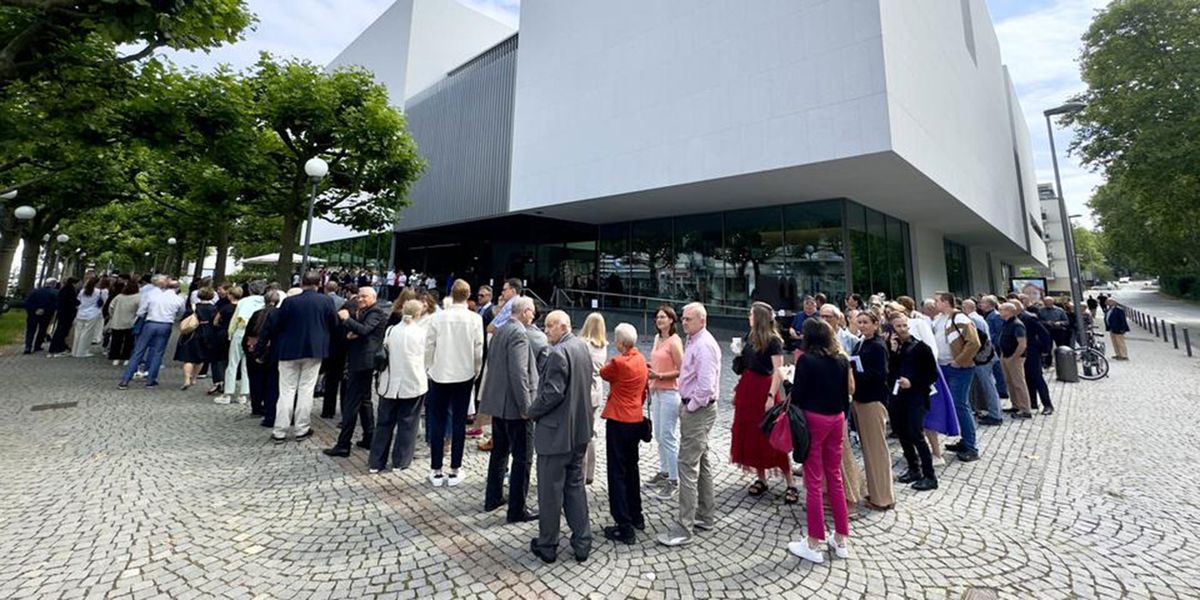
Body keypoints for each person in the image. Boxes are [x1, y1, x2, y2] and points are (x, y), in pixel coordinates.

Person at [528, 310, 594, 564]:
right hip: (579, 431)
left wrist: (531, 412)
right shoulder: (581, 346)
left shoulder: (558, 353)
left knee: (550, 492)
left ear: (563, 327)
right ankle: (582, 542)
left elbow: (552, 393)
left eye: (549, 326)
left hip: (557, 435)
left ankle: (548, 545)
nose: (545, 331)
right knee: (575, 487)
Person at [787, 318, 855, 564]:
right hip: (837, 418)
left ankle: (814, 542)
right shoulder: (841, 359)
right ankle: (841, 539)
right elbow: (845, 394)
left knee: (814, 481)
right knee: (835, 477)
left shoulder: (806, 360)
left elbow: (798, 395)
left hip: (814, 419)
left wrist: (787, 381)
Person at [657, 302, 720, 548]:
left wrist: (690, 407)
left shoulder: (704, 345)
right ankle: (705, 515)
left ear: (702, 320)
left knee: (687, 465)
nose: (683, 322)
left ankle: (685, 527)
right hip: (696, 408)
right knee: (701, 461)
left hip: (698, 410)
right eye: (683, 318)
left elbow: (705, 387)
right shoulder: (694, 340)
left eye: (688, 319)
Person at [255, 272, 339, 443]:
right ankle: (302, 428)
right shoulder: (326, 301)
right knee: (306, 390)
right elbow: (334, 325)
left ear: (301, 283)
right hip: (314, 350)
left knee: (286, 390)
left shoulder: (289, 302)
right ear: (319, 283)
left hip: (288, 350)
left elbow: (277, 324)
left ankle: (280, 430)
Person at [480, 296, 540, 522]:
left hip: (499, 403)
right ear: (524, 312)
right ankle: (517, 509)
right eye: (532, 311)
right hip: (514, 407)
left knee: (499, 452)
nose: (533, 315)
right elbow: (519, 372)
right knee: (523, 458)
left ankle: (493, 497)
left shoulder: (501, 330)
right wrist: (526, 407)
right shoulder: (518, 334)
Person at [730, 302, 795, 503]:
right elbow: (745, 363)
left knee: (772, 434)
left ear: (758, 317)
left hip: (764, 388)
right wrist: (738, 354)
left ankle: (790, 482)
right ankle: (761, 478)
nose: (749, 317)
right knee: (753, 433)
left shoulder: (773, 340)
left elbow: (778, 370)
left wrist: (770, 396)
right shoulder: (750, 336)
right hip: (748, 386)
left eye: (751, 314)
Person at [424, 279, 484, 486]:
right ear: (468, 295)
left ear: (451, 293)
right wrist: (475, 371)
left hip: (439, 373)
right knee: (459, 422)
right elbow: (478, 349)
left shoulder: (437, 318)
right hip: (464, 375)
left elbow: (429, 346)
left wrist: (428, 368)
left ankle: (436, 470)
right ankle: (455, 469)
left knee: (437, 421)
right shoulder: (475, 319)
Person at [599, 323, 649, 545]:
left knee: (617, 472)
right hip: (635, 419)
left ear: (620, 343)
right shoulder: (641, 360)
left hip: (619, 420)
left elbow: (603, 372)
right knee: (632, 468)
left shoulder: (618, 362)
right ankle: (636, 515)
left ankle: (624, 525)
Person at [323, 287, 387, 456]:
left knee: (352, 404)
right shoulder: (365, 312)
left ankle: (344, 444)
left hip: (363, 363)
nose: (360, 299)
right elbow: (361, 330)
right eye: (359, 296)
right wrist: (353, 330)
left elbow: (364, 330)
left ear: (373, 297)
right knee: (364, 401)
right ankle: (369, 437)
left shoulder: (376, 312)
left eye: (364, 296)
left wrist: (347, 319)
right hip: (360, 360)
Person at [370, 298, 428, 471]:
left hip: (389, 382)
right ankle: (400, 461)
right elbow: (427, 358)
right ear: (419, 314)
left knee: (384, 423)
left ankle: (376, 462)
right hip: (412, 382)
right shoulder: (421, 333)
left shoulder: (391, 330)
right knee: (408, 424)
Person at [886, 314, 939, 491]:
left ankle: (930, 476)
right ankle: (913, 468)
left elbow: (932, 375)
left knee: (916, 434)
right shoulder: (894, 348)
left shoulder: (921, 348)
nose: (902, 329)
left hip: (916, 397)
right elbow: (891, 371)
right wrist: (893, 352)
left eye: (904, 325)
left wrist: (912, 382)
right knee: (902, 433)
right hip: (898, 397)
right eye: (898, 326)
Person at [932, 292, 981, 462]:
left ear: (946, 302)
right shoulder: (938, 319)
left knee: (960, 405)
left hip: (959, 368)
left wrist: (959, 361)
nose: (934, 303)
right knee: (955, 404)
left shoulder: (959, 318)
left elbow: (973, 342)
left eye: (937, 301)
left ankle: (971, 447)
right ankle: (964, 441)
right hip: (944, 366)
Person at [851, 310, 894, 510]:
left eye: (866, 322)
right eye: (859, 322)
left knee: (877, 451)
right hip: (860, 398)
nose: (862, 325)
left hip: (873, 400)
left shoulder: (877, 345)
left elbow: (880, 374)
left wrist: (854, 374)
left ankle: (883, 497)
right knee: (868, 450)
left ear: (876, 324)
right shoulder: (860, 343)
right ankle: (874, 491)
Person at [118, 276, 185, 389]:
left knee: (138, 351)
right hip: (166, 324)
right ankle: (151, 380)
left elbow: (141, 311)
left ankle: (125, 379)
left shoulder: (152, 295)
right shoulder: (178, 299)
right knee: (158, 353)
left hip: (150, 323)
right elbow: (180, 313)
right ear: (177, 288)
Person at [646, 305, 683, 497]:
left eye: (663, 317)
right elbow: (657, 362)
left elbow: (681, 370)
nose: (659, 320)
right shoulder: (657, 338)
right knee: (659, 435)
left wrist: (659, 375)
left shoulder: (674, 342)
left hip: (670, 392)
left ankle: (674, 479)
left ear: (671, 320)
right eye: (658, 317)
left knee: (668, 436)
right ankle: (664, 471)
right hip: (657, 391)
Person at [217, 282, 264, 405]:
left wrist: (230, 333)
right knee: (247, 365)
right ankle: (244, 394)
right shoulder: (264, 302)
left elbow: (235, 319)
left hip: (241, 331)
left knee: (233, 363)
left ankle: (228, 393)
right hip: (255, 335)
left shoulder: (243, 302)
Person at [962, 298, 1003, 426]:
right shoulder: (978, 318)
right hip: (984, 356)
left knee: (988, 385)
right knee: (985, 385)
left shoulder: (973, 320)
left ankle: (995, 415)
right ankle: (989, 411)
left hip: (982, 358)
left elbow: (979, 341)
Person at [579, 312, 609, 486]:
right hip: (597, 390)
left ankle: (581, 471)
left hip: (584, 390)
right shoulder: (603, 346)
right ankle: (590, 472)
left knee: (581, 432)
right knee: (592, 432)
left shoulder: (584, 345)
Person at [244, 290, 281, 423]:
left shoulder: (257, 314)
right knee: (271, 381)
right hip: (271, 351)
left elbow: (248, 332)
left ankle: (256, 406)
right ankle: (269, 406)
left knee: (255, 380)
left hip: (254, 348)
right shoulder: (279, 314)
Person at [176, 287, 218, 390]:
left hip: (192, 334)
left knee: (188, 358)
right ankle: (194, 378)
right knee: (200, 358)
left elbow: (184, 319)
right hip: (207, 334)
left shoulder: (193, 307)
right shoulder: (214, 308)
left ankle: (187, 379)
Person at [1018, 297, 1054, 415]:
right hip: (1021, 352)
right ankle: (1032, 402)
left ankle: (1047, 404)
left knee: (1037, 377)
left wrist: (1046, 350)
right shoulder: (1014, 319)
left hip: (1032, 351)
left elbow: (1044, 333)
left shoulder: (1029, 318)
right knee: (1027, 377)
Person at [997, 302, 1033, 419]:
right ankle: (1016, 405)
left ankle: (1025, 409)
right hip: (1005, 355)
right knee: (1010, 382)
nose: (999, 312)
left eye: (1001, 310)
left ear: (1009, 311)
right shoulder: (1006, 323)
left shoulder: (1017, 324)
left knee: (1018, 383)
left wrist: (1014, 357)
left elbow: (1022, 344)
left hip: (1015, 358)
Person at [978, 295, 1009, 401]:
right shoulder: (986, 315)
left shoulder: (995, 316)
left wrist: (994, 345)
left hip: (994, 347)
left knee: (998, 369)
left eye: (983, 302)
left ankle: (1002, 390)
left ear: (989, 304)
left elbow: (999, 332)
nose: (980, 304)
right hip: (991, 346)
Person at [106, 283, 141, 366]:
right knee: (128, 342)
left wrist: (113, 315)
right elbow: (140, 310)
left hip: (117, 321)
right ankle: (126, 358)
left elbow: (111, 307)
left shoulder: (119, 297)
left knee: (116, 341)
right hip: (130, 322)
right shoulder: (138, 297)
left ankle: (115, 358)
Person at [23, 278, 58, 355]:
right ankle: (37, 345)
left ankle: (28, 346)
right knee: (42, 330)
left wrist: (35, 310)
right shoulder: (55, 293)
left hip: (33, 314)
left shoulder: (34, 291)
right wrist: (44, 310)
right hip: (46, 315)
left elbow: (27, 303)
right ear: (54, 284)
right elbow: (55, 305)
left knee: (30, 330)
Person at [46, 277, 79, 357]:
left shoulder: (63, 290)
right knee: (62, 331)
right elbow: (72, 302)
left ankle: (55, 347)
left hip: (62, 313)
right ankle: (59, 348)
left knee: (60, 330)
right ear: (73, 283)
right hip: (67, 314)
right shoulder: (70, 291)